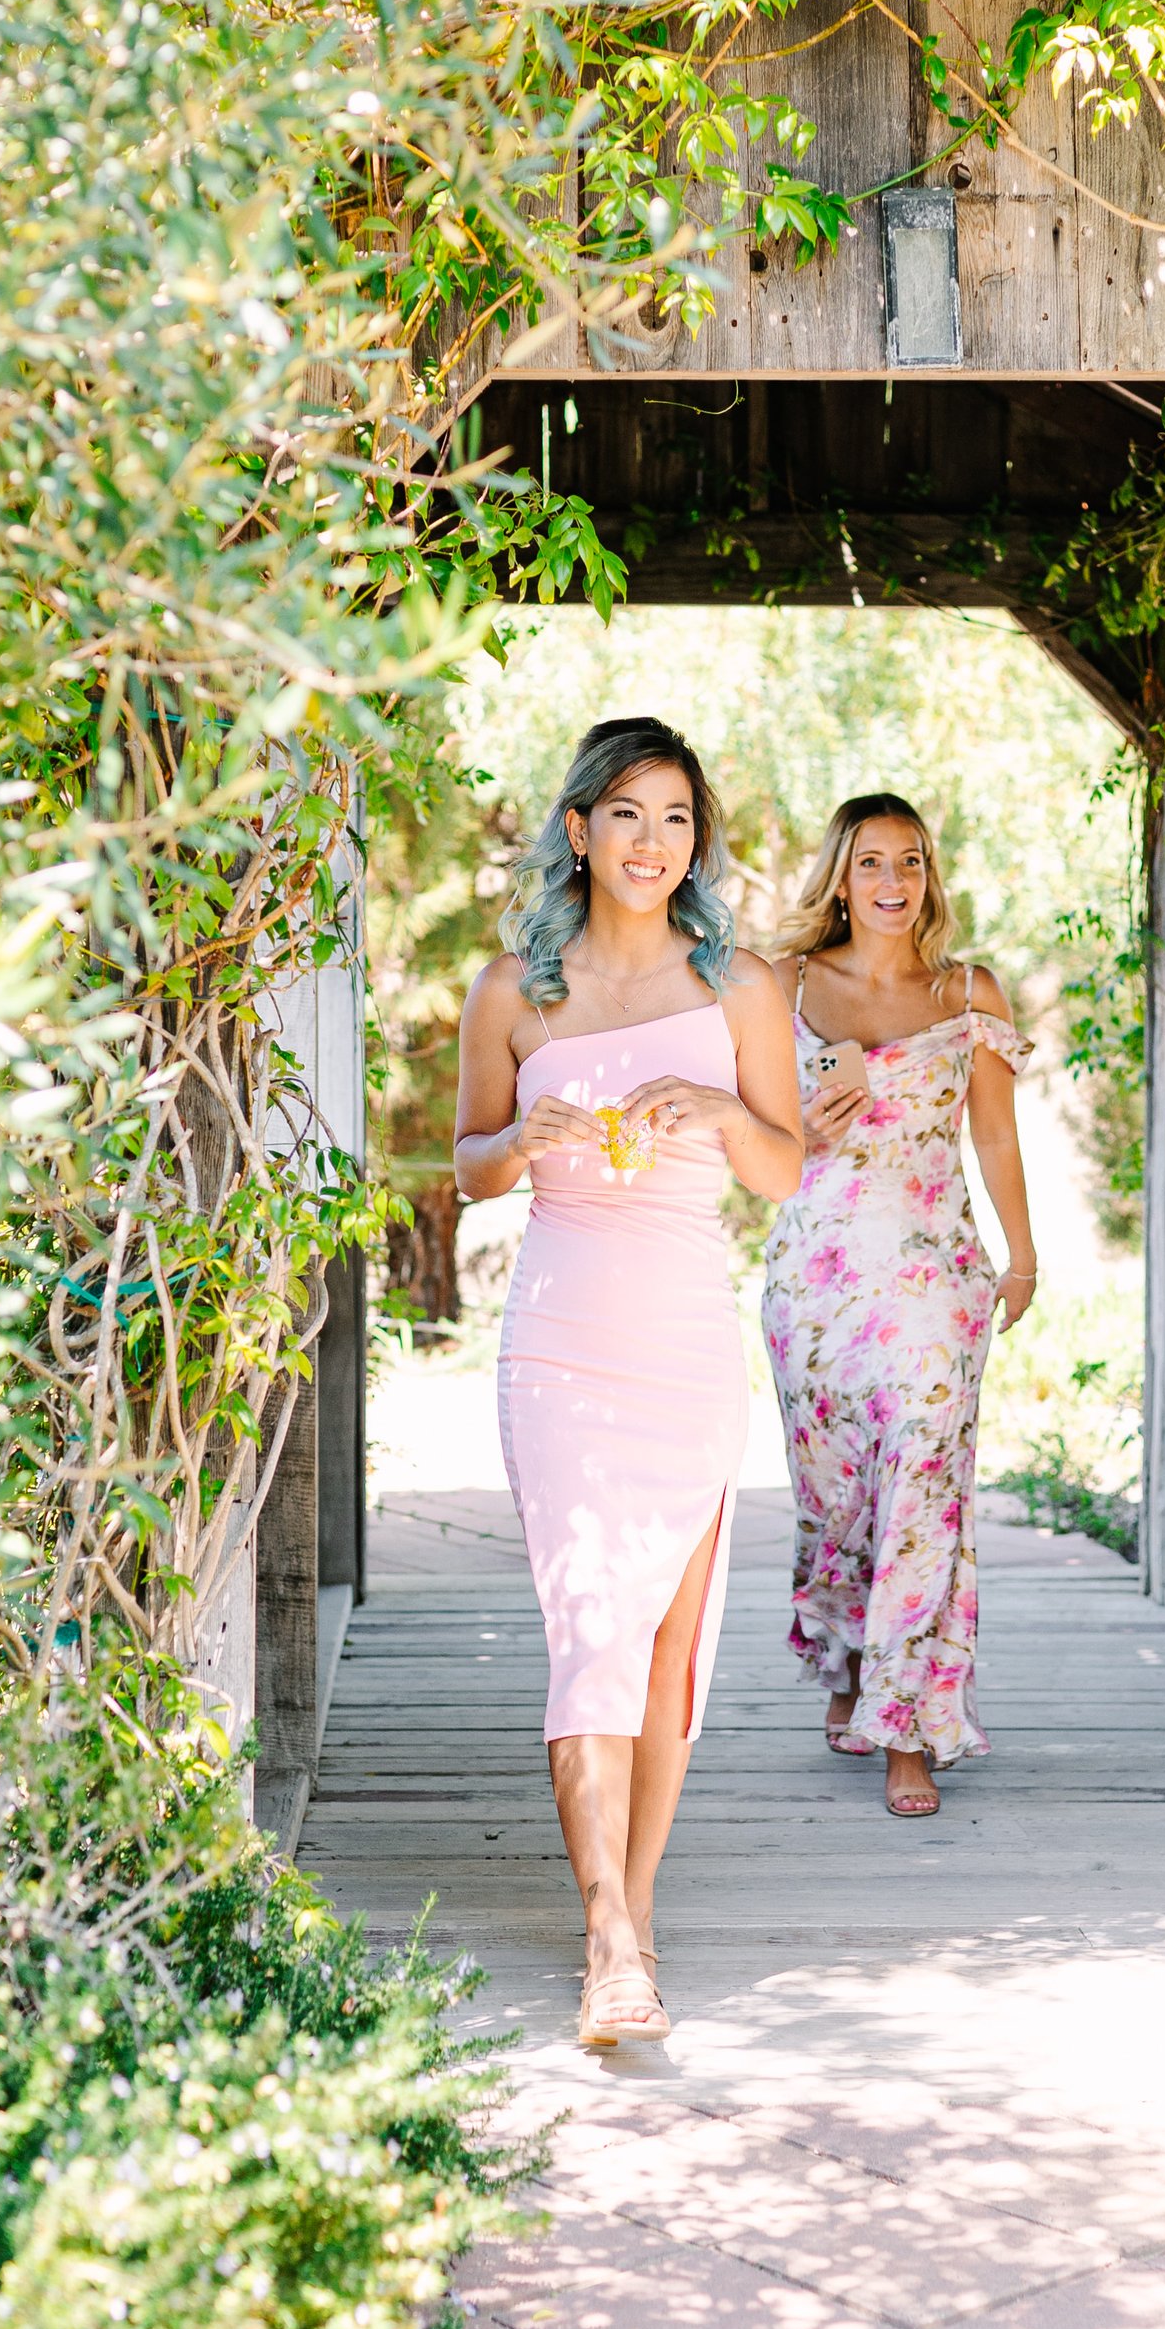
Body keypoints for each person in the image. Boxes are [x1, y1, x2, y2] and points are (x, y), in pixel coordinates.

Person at [455, 716, 803, 2043]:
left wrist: (720, 1113)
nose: (654, 842)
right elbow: (468, 1167)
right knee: (588, 1629)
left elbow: (782, 1170)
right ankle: (607, 1936)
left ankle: (634, 1915)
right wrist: (518, 1137)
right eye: (628, 815)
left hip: (685, 1348)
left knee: (664, 1658)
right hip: (558, 1339)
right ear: (577, 829)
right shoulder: (512, 991)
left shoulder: (746, 989)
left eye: (677, 818)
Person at [760, 795, 1036, 1818]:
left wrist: (1024, 1256)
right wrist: (800, 1127)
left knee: (923, 1490)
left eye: (909, 862)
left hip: (932, 1281)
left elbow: (996, 1139)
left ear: (929, 876)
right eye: (869, 862)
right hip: (813, 1280)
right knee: (835, 1498)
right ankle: (843, 1663)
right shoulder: (780, 983)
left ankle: (909, 1730)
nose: (890, 882)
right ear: (839, 875)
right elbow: (739, 1134)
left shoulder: (969, 992)